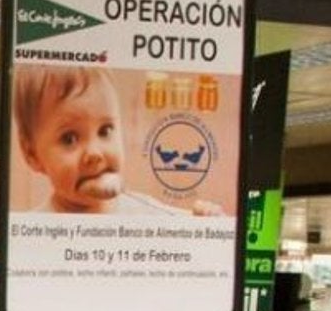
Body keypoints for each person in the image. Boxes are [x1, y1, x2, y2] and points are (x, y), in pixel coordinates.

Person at [13, 66, 224, 217]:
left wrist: (209, 227)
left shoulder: (147, 214)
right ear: (31, 154)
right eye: (69, 139)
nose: (94, 153)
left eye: (105, 130)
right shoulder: (32, 229)